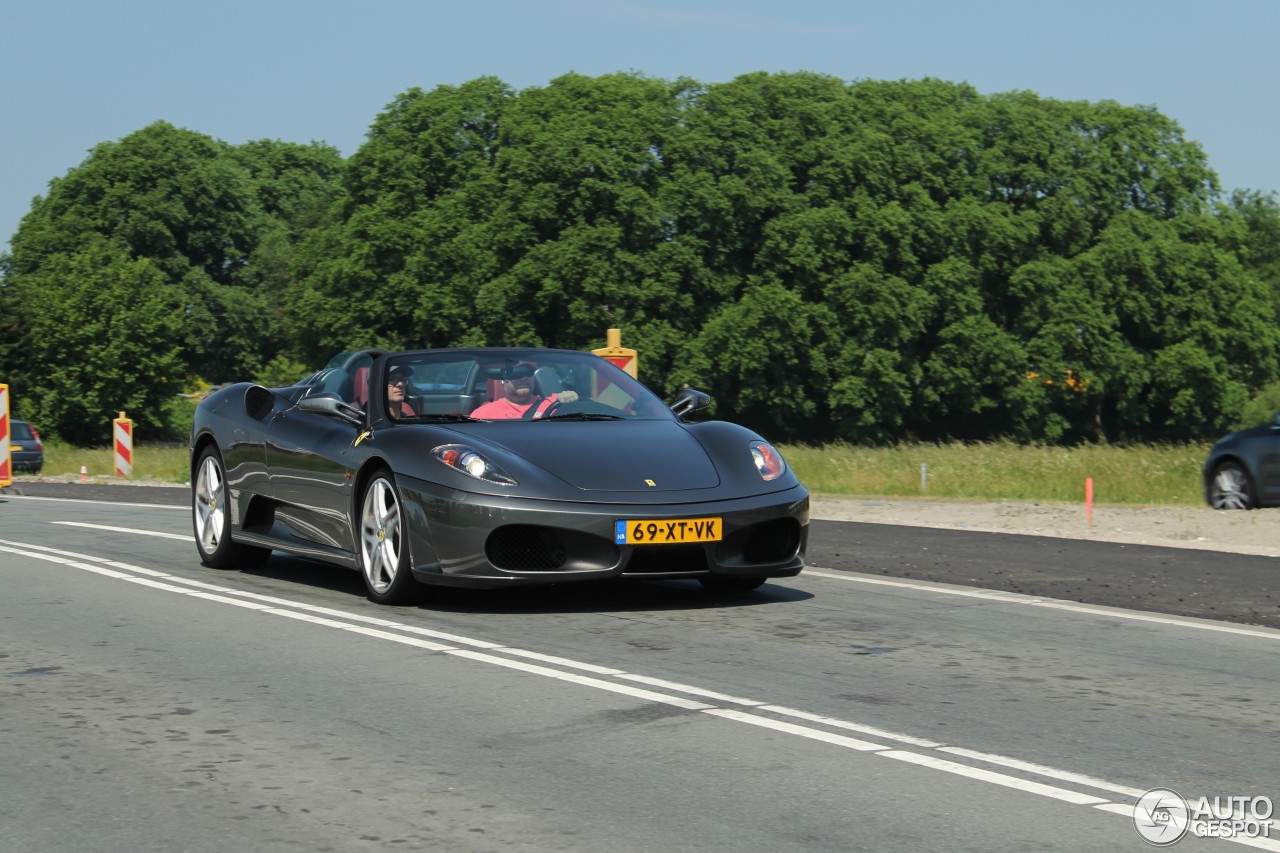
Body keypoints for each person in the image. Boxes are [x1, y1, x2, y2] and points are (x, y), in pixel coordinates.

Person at [471, 361, 578, 419]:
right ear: (504, 379)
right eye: (517, 373)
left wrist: (572, 400)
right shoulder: (484, 414)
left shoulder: (555, 403)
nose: (523, 377)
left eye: (528, 372)